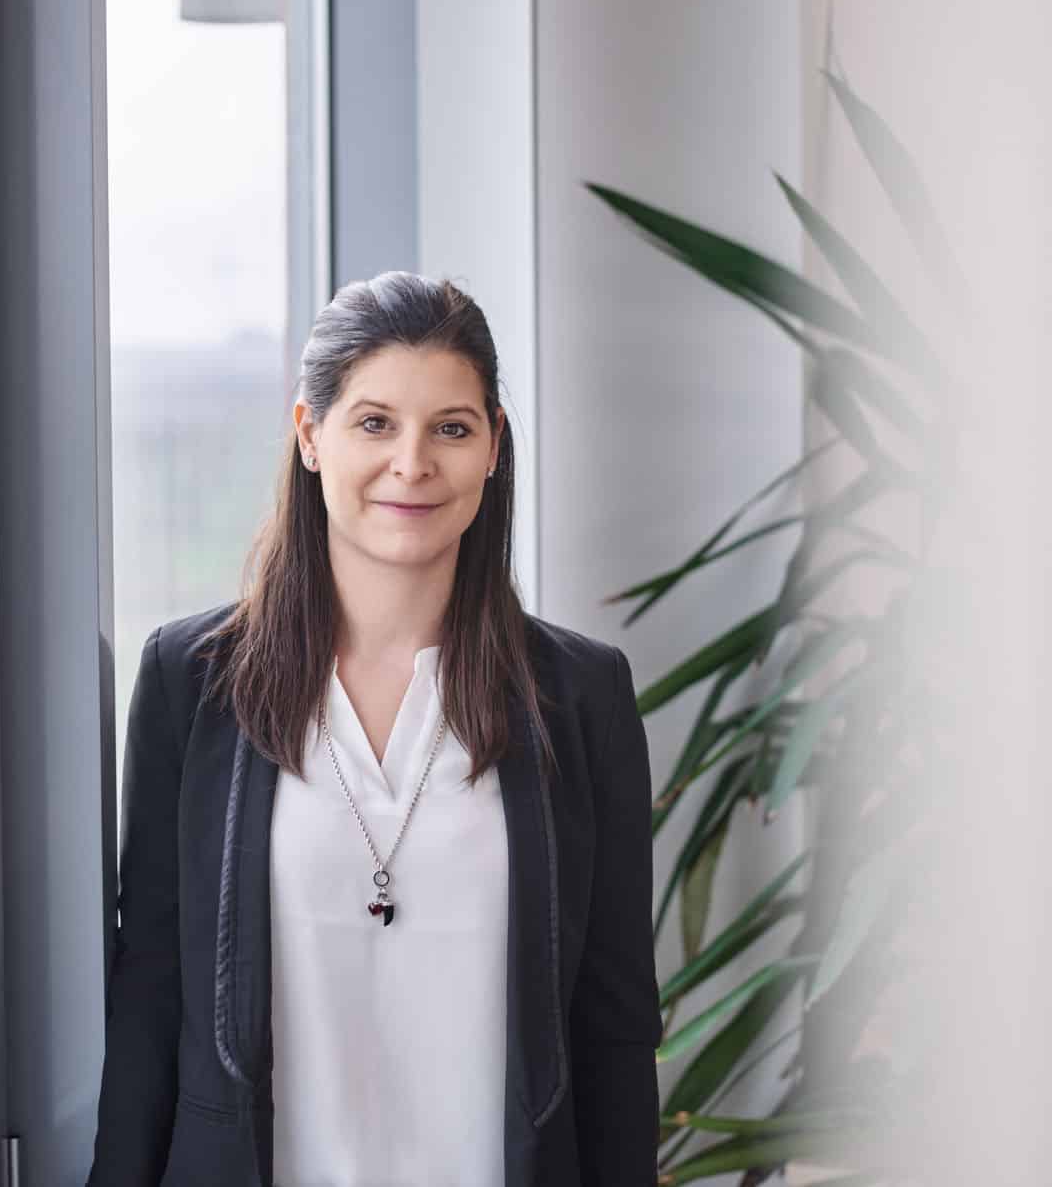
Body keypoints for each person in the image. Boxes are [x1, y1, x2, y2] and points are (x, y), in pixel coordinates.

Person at [86, 272, 662, 1186]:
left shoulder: (581, 697)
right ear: (311, 436)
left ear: (493, 448)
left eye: (452, 428)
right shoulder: (191, 684)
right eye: (375, 422)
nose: (413, 464)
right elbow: (151, 1004)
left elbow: (617, 1031)